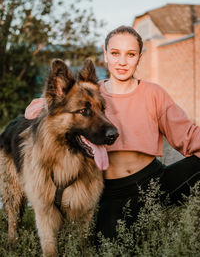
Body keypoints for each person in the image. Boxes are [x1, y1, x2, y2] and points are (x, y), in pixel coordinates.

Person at [25, 26, 200, 240]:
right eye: (115, 53)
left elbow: (188, 135)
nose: (122, 62)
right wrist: (48, 105)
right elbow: (45, 108)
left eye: (131, 54)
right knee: (108, 246)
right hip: (111, 189)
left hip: (154, 180)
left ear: (139, 57)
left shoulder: (154, 93)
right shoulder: (90, 91)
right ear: (105, 54)